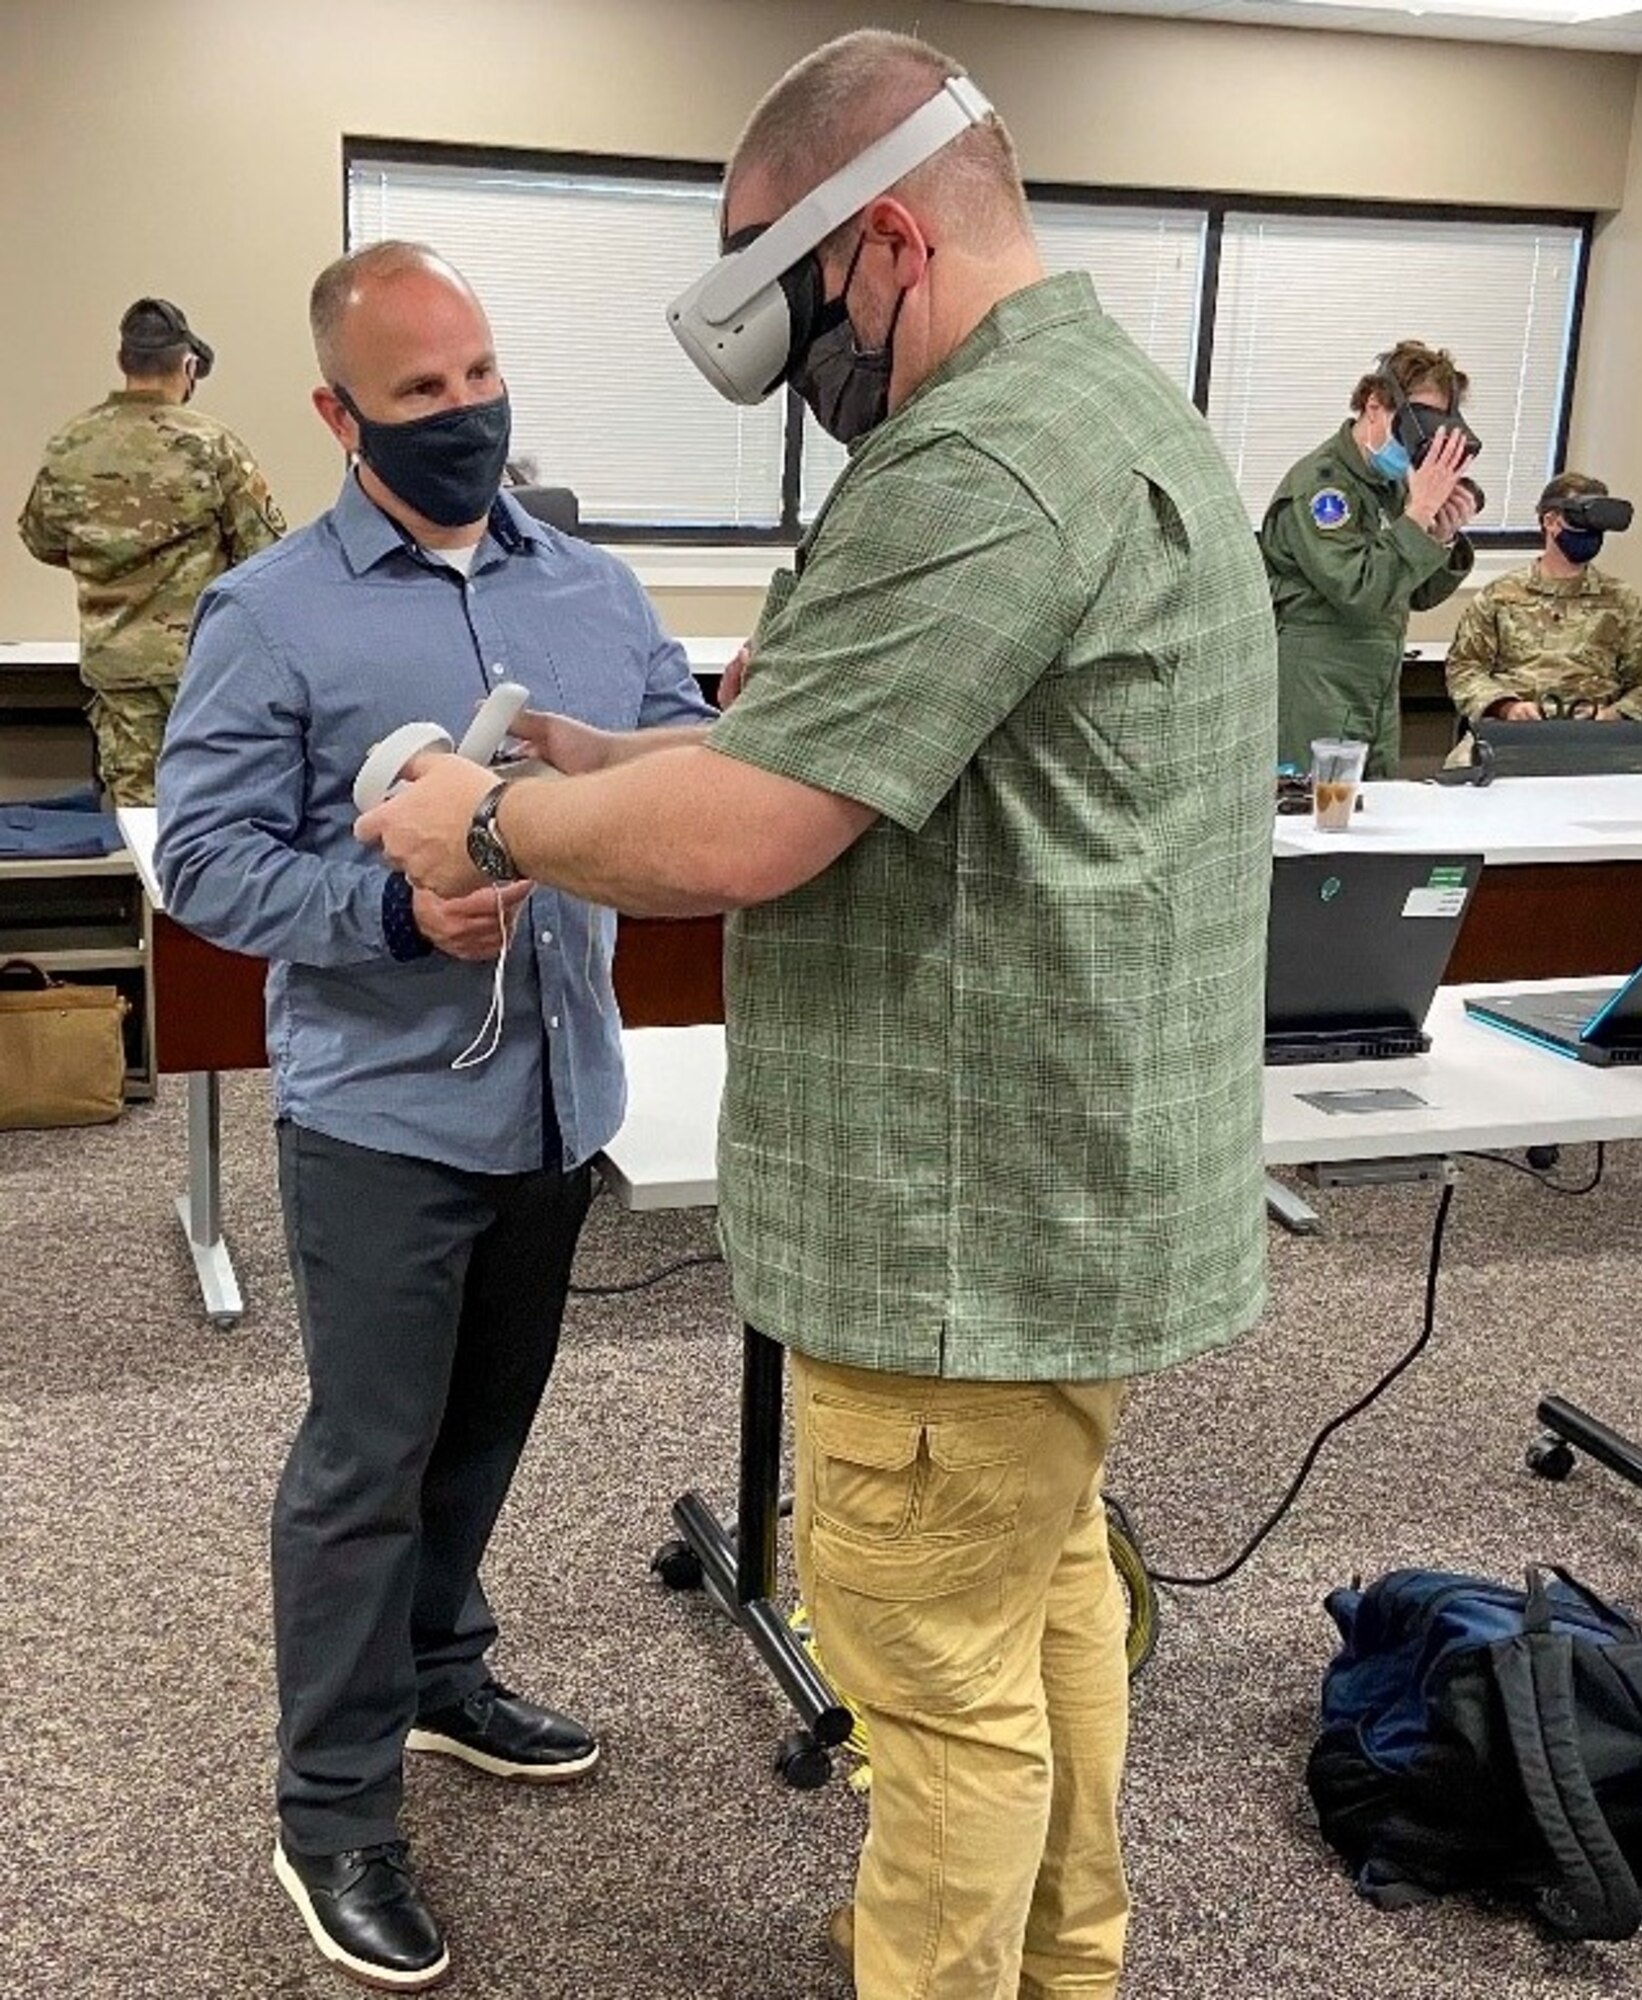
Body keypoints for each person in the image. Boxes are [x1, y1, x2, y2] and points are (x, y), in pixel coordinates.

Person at [356, 31, 1276, 2000]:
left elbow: (754, 829)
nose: (811, 386)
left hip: (949, 1230)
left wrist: (492, 805)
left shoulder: (977, 458)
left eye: (794, 320)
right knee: (1035, 1617)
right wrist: (614, 766)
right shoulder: (1106, 409)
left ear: (871, 250)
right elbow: (841, 763)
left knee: (929, 1687)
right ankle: (1062, 1967)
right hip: (1056, 1205)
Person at [155, 241, 713, 1991]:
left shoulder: (592, 589)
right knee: (364, 1466)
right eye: (419, 392)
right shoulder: (271, 611)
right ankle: (332, 1812)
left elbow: (685, 758)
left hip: (557, 1099)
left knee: (481, 1436)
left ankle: (442, 1671)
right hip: (387, 1119)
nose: (466, 411)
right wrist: (393, 908)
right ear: (336, 413)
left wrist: (637, 790)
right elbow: (203, 863)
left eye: (478, 374)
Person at [17, 297, 285, 805]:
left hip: (118, 672)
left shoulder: (70, 444)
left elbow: (41, 538)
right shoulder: (212, 445)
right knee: (214, 811)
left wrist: (111, 557)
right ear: (188, 367)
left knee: (140, 820)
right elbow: (263, 551)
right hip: (204, 670)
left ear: (124, 363)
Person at [1260, 339, 1480, 779]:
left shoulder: (1392, 488)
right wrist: (1416, 516)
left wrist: (1440, 536)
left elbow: (1415, 593)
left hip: (1376, 683)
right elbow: (1357, 588)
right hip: (1318, 682)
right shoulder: (1324, 487)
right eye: (1417, 423)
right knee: (1314, 817)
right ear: (1375, 405)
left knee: (1373, 814)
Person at [1445, 471, 1642, 731]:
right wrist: (1507, 707)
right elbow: (1465, 668)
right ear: (1550, 521)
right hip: (1513, 734)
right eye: (1581, 522)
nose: (1591, 534)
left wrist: (1615, 715)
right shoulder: (1499, 596)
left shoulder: (1622, 601)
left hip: (1596, 737)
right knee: (1465, 766)